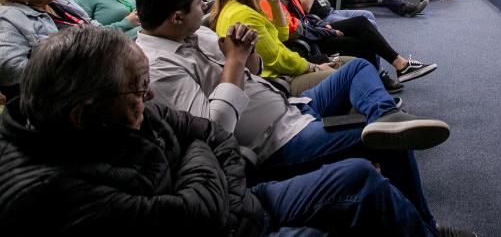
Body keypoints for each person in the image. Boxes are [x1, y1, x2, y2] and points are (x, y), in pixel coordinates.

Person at [0, 24, 466, 236]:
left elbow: (213, 138)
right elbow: (193, 209)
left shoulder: (115, 108)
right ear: (83, 114)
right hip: (231, 219)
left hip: (242, 196)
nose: (147, 99)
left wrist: (198, 157)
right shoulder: (44, 188)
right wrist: (202, 158)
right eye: (136, 92)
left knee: (359, 176)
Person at [259, 0, 436, 89]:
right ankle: (394, 69)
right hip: (310, 37)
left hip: (314, 25)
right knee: (363, 29)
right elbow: (292, 26)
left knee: (363, 23)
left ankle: (396, 68)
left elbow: (296, 20)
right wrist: (322, 28)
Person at [0, 0, 93, 97]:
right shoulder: (7, 19)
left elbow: (92, 24)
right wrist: (72, 61)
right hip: (67, 92)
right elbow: (10, 70)